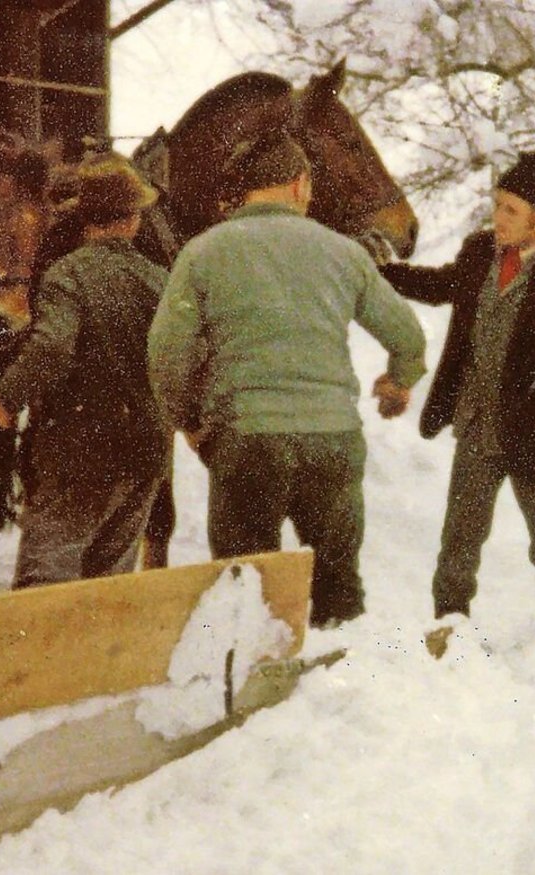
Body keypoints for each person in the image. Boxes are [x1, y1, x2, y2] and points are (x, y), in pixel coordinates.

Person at [147, 131, 426, 629]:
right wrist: (398, 382)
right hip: (332, 440)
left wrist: (188, 420)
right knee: (339, 586)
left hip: (247, 440)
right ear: (299, 185)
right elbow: (407, 335)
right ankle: (338, 684)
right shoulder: (343, 253)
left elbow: (166, 351)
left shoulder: (204, 252)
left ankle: (256, 689)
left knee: (245, 587)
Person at [380, 151, 535, 628]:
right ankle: (449, 628)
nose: (498, 218)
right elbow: (440, 286)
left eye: (510, 211)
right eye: (496, 206)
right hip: (477, 426)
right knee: (459, 539)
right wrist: (378, 271)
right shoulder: (479, 254)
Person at [0, 154, 171, 588]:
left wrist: (6, 396)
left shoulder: (67, 276)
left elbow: (52, 346)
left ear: (86, 220)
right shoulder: (160, 280)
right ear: (132, 221)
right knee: (110, 586)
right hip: (144, 456)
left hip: (78, 454)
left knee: (44, 589)